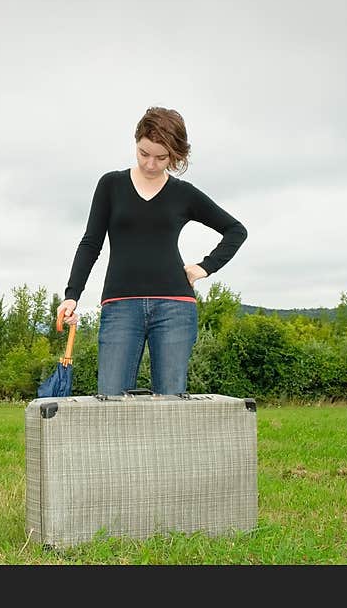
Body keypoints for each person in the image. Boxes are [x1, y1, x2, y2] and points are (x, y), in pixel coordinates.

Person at [57, 106, 247, 396]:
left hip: (175, 307)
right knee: (110, 402)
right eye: (144, 153)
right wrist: (72, 295)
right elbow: (90, 243)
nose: (150, 164)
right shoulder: (111, 185)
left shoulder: (184, 194)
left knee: (170, 409)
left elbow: (236, 230)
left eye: (161, 157)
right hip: (119, 306)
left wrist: (204, 267)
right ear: (136, 143)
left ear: (175, 155)